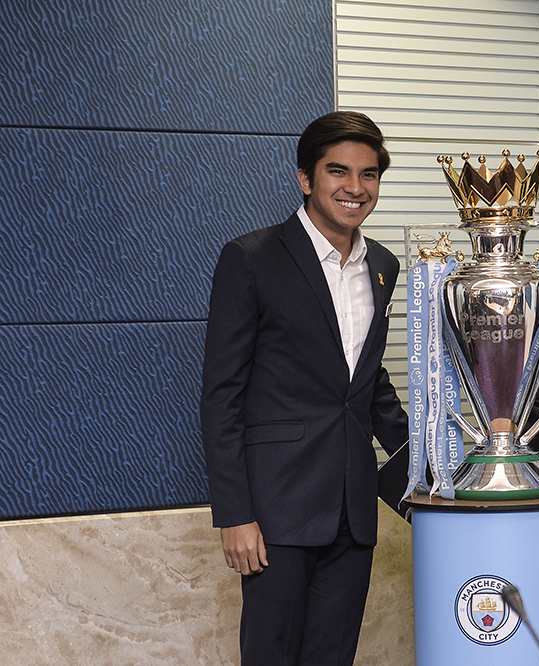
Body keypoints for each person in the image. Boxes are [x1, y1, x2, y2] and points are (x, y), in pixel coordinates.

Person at [200, 110, 408, 666]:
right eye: (338, 171)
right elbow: (222, 395)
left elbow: (364, 383)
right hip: (275, 511)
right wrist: (235, 515)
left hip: (353, 507)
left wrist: (435, 464)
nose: (355, 188)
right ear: (305, 177)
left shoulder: (382, 265)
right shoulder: (250, 259)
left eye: (369, 175)